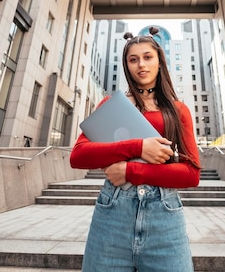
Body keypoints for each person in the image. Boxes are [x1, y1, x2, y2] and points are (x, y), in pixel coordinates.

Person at [70, 26, 201, 272]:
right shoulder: (112, 105)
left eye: (148, 57)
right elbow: (78, 156)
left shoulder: (178, 110)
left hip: (164, 216)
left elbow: (192, 174)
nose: (141, 64)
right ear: (126, 65)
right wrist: (139, 147)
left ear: (160, 62)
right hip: (112, 216)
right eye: (133, 59)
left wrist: (131, 171)